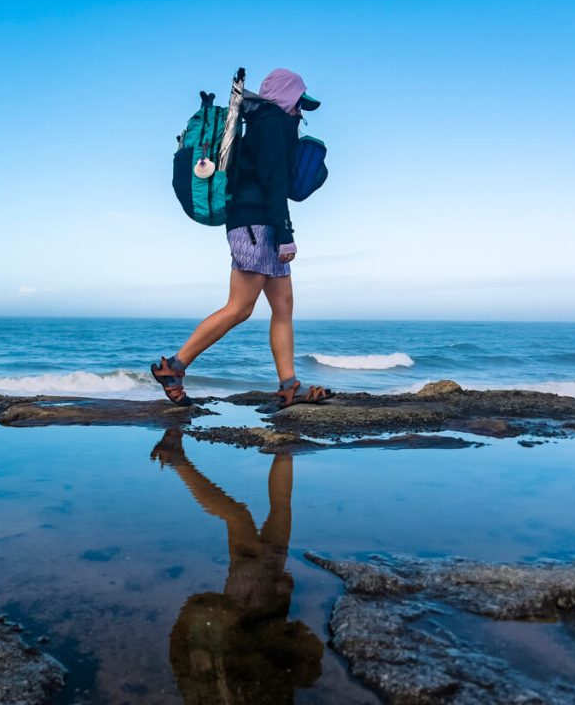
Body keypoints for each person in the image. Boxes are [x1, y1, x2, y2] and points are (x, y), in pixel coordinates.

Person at [152, 68, 332, 409]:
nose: (300, 111)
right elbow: (274, 184)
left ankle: (289, 384)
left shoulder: (265, 123)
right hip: (255, 225)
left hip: (255, 221)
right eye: (298, 103)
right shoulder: (273, 125)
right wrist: (285, 235)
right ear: (285, 98)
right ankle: (173, 367)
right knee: (239, 308)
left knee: (283, 306)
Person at [150, 427, 323, 704]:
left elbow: (296, 649)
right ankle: (282, 445)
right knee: (256, 512)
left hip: (254, 590)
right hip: (254, 589)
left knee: (246, 514)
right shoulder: (254, 681)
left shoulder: (251, 680)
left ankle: (179, 461)